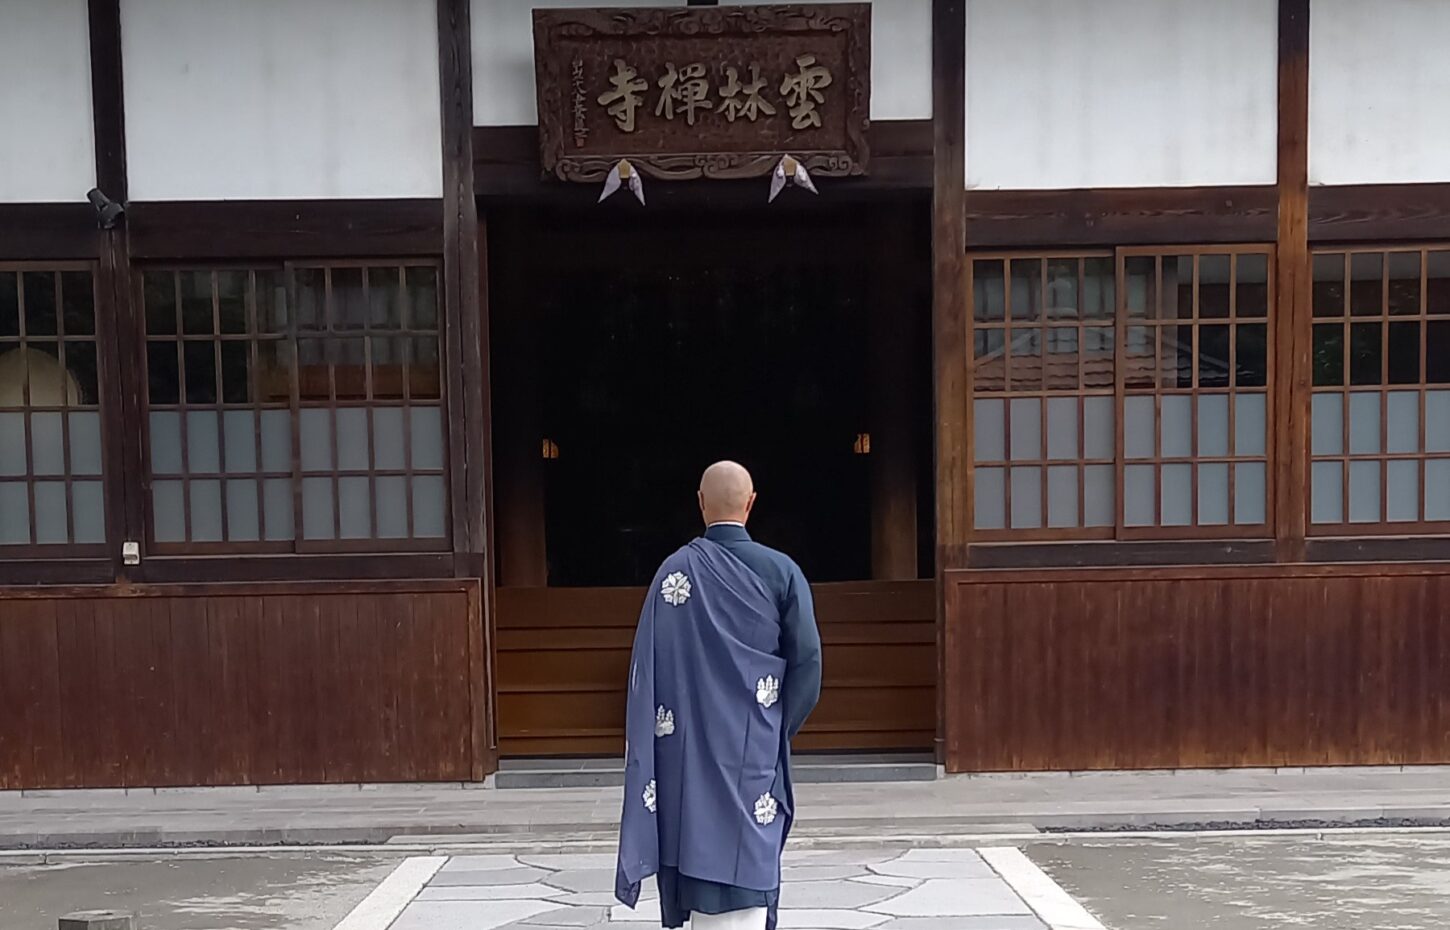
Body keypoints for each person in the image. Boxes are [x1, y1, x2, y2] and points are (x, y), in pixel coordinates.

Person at [616, 461, 823, 930]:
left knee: (695, 835)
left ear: (700, 503)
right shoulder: (782, 571)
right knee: (749, 843)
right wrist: (776, 724)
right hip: (754, 745)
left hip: (686, 750)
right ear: (750, 504)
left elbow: (649, 670)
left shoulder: (674, 574)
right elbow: (808, 664)